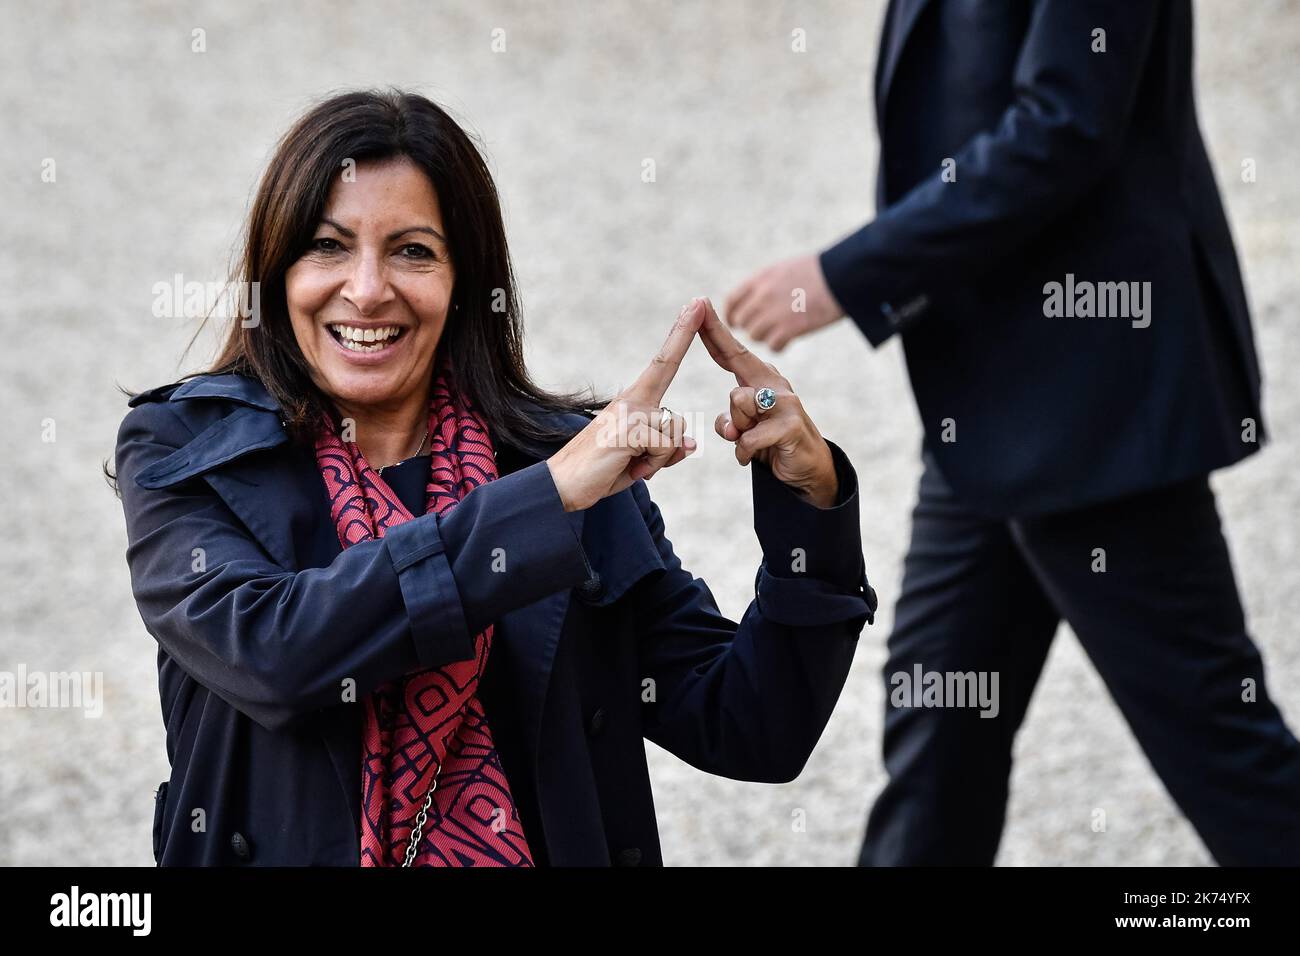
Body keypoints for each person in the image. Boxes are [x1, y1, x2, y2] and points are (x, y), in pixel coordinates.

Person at [111, 89, 877, 866]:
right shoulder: (187, 449)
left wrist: (808, 508)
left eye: (413, 250)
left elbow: (749, 726)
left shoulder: (565, 464)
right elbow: (273, 654)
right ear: (277, 271)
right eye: (328, 246)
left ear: (466, 282)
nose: (368, 288)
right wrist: (544, 503)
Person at [725, 0, 1300, 864]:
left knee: (1222, 750)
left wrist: (845, 274)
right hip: (986, 405)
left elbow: (1066, 122)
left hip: (1096, 408)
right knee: (939, 739)